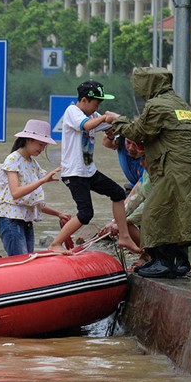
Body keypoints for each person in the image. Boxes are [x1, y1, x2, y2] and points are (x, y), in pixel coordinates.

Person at [105, 67, 191, 278]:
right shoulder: (179, 103)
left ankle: (163, 263)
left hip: (174, 168)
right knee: (178, 213)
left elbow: (138, 132)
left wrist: (116, 120)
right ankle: (180, 262)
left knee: (155, 213)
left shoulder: (157, 105)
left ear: (149, 84)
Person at [47, 80, 142, 255]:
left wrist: (114, 122)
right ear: (84, 100)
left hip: (88, 172)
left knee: (118, 193)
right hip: (75, 173)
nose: (97, 107)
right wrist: (105, 118)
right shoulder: (72, 112)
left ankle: (124, 236)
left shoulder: (93, 115)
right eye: (95, 103)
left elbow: (114, 124)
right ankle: (55, 243)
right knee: (85, 214)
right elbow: (86, 125)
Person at [0, 119, 71, 256]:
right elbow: (16, 193)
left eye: (44, 146)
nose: (42, 149)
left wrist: (58, 213)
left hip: (25, 221)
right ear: (28, 140)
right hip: (11, 220)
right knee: (20, 262)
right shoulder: (12, 159)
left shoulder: (33, 164)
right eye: (40, 144)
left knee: (26, 261)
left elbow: (33, 201)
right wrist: (43, 180)